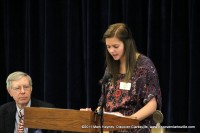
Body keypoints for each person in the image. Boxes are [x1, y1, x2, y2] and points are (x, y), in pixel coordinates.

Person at [96, 23, 162, 133]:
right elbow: (102, 103)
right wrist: (95, 113)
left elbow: (152, 105)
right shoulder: (110, 68)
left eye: (116, 46)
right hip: (112, 127)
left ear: (127, 44)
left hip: (137, 126)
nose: (111, 51)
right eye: (108, 47)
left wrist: (127, 122)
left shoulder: (144, 65)